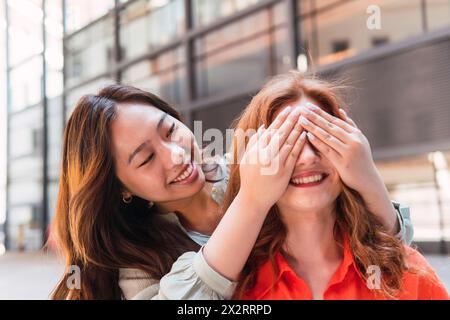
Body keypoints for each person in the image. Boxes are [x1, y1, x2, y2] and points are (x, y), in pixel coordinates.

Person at [51, 82, 413, 300]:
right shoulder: (136, 262)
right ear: (121, 190)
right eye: (146, 159)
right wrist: (253, 202)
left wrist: (365, 177)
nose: (176, 156)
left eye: (169, 130)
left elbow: (392, 254)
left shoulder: (248, 166)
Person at [220, 71, 448, 300]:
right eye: (287, 143)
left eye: (321, 137)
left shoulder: (407, 272)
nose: (307, 158)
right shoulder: (234, 287)